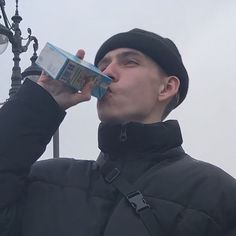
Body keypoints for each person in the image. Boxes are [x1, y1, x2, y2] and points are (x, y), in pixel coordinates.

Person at [0, 28, 236, 236]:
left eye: (130, 62)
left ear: (167, 87)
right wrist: (38, 104)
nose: (108, 72)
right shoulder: (45, 179)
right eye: (102, 66)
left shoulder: (217, 194)